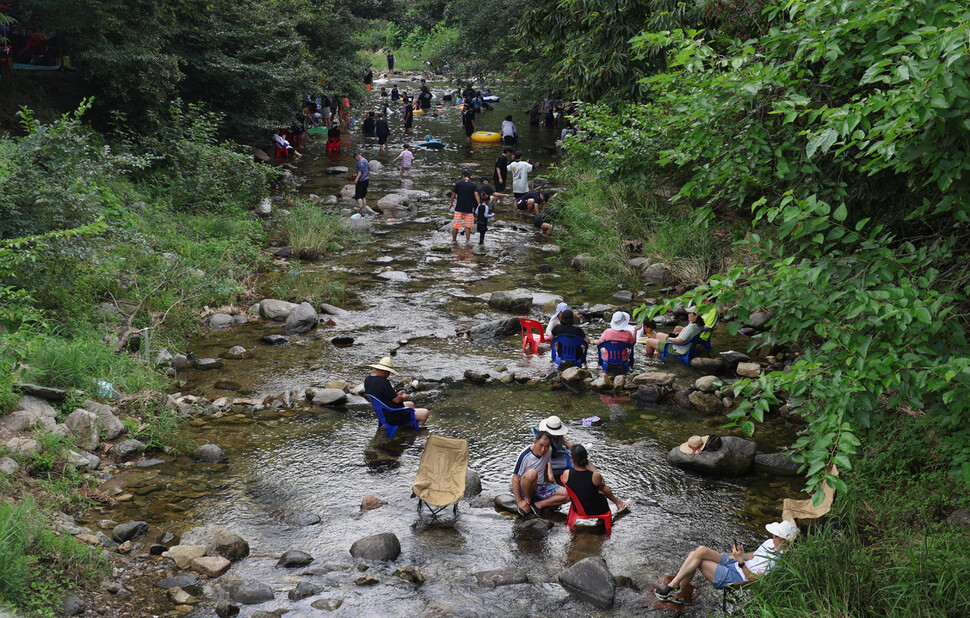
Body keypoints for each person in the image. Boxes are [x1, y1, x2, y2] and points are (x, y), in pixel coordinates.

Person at [654, 521, 799, 605]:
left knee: (698, 560)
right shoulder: (769, 542)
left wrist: (740, 561)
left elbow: (753, 579)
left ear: (784, 540)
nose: (773, 536)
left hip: (737, 576)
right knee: (699, 551)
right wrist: (741, 555)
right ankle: (676, 591)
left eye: (776, 535)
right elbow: (754, 556)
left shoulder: (776, 561)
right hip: (735, 563)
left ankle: (673, 588)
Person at [561, 444, 631, 518]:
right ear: (586, 457)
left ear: (573, 460)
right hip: (596, 510)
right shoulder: (595, 476)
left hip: (577, 509)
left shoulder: (566, 473)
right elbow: (602, 482)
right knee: (602, 489)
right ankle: (618, 503)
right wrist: (588, 463)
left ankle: (617, 504)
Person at [511, 431, 570, 516]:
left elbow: (545, 465)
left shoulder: (549, 450)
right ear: (535, 442)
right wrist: (519, 502)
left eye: (546, 446)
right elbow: (515, 478)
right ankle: (527, 499)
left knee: (569, 494)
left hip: (540, 486)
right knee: (532, 473)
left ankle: (538, 505)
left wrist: (548, 482)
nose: (543, 450)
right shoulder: (525, 456)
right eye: (541, 445)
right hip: (526, 487)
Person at [364, 356, 429, 426]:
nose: (389, 374)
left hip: (382, 412)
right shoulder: (383, 382)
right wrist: (404, 397)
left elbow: (382, 396)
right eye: (389, 372)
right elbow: (397, 400)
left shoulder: (368, 379)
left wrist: (397, 394)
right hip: (392, 416)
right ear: (385, 371)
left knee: (410, 404)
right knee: (425, 413)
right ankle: (413, 430)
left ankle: (409, 424)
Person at [449, 171, 479, 242]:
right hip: (469, 208)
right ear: (469, 177)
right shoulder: (473, 184)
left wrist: (451, 203)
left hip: (459, 207)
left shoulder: (458, 183)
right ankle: (467, 241)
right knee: (468, 226)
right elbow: (476, 194)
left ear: (463, 176)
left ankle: (454, 240)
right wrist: (479, 204)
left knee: (456, 226)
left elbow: (453, 194)